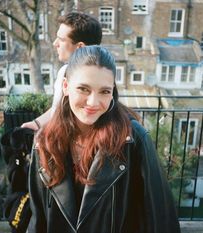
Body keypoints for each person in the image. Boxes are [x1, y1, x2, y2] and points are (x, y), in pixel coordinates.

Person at [28, 46, 181, 233]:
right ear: (66, 86)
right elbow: (38, 220)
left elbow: (160, 217)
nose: (93, 102)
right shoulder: (44, 142)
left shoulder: (133, 141)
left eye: (104, 91)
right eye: (84, 89)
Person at [21, 12, 102, 130]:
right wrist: (36, 123)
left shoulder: (100, 78)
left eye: (61, 40)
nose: (55, 43)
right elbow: (56, 109)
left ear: (80, 47)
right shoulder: (64, 71)